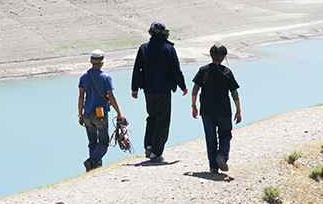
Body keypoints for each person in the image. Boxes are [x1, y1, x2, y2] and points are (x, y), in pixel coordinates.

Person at [131, 21, 186, 162]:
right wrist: (182, 86)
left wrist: (134, 88)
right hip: (164, 90)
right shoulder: (168, 49)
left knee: (152, 117)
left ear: (150, 33)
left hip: (148, 90)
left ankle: (148, 146)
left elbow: (137, 69)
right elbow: (175, 69)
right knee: (163, 120)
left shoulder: (144, 48)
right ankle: (156, 152)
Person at [191, 44, 242, 175]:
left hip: (206, 110)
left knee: (210, 136)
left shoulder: (203, 70)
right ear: (224, 57)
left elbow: (195, 89)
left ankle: (213, 167)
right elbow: (234, 93)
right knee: (225, 133)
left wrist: (194, 106)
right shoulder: (227, 72)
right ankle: (222, 155)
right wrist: (238, 110)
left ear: (210, 55)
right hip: (223, 110)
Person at [78, 50, 124, 171]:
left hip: (87, 114)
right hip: (100, 114)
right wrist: (119, 113)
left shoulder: (83, 77)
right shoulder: (105, 77)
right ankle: (92, 161)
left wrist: (80, 114)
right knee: (103, 142)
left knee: (92, 142)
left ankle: (94, 167)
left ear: (91, 62)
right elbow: (111, 97)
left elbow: (81, 97)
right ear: (102, 63)